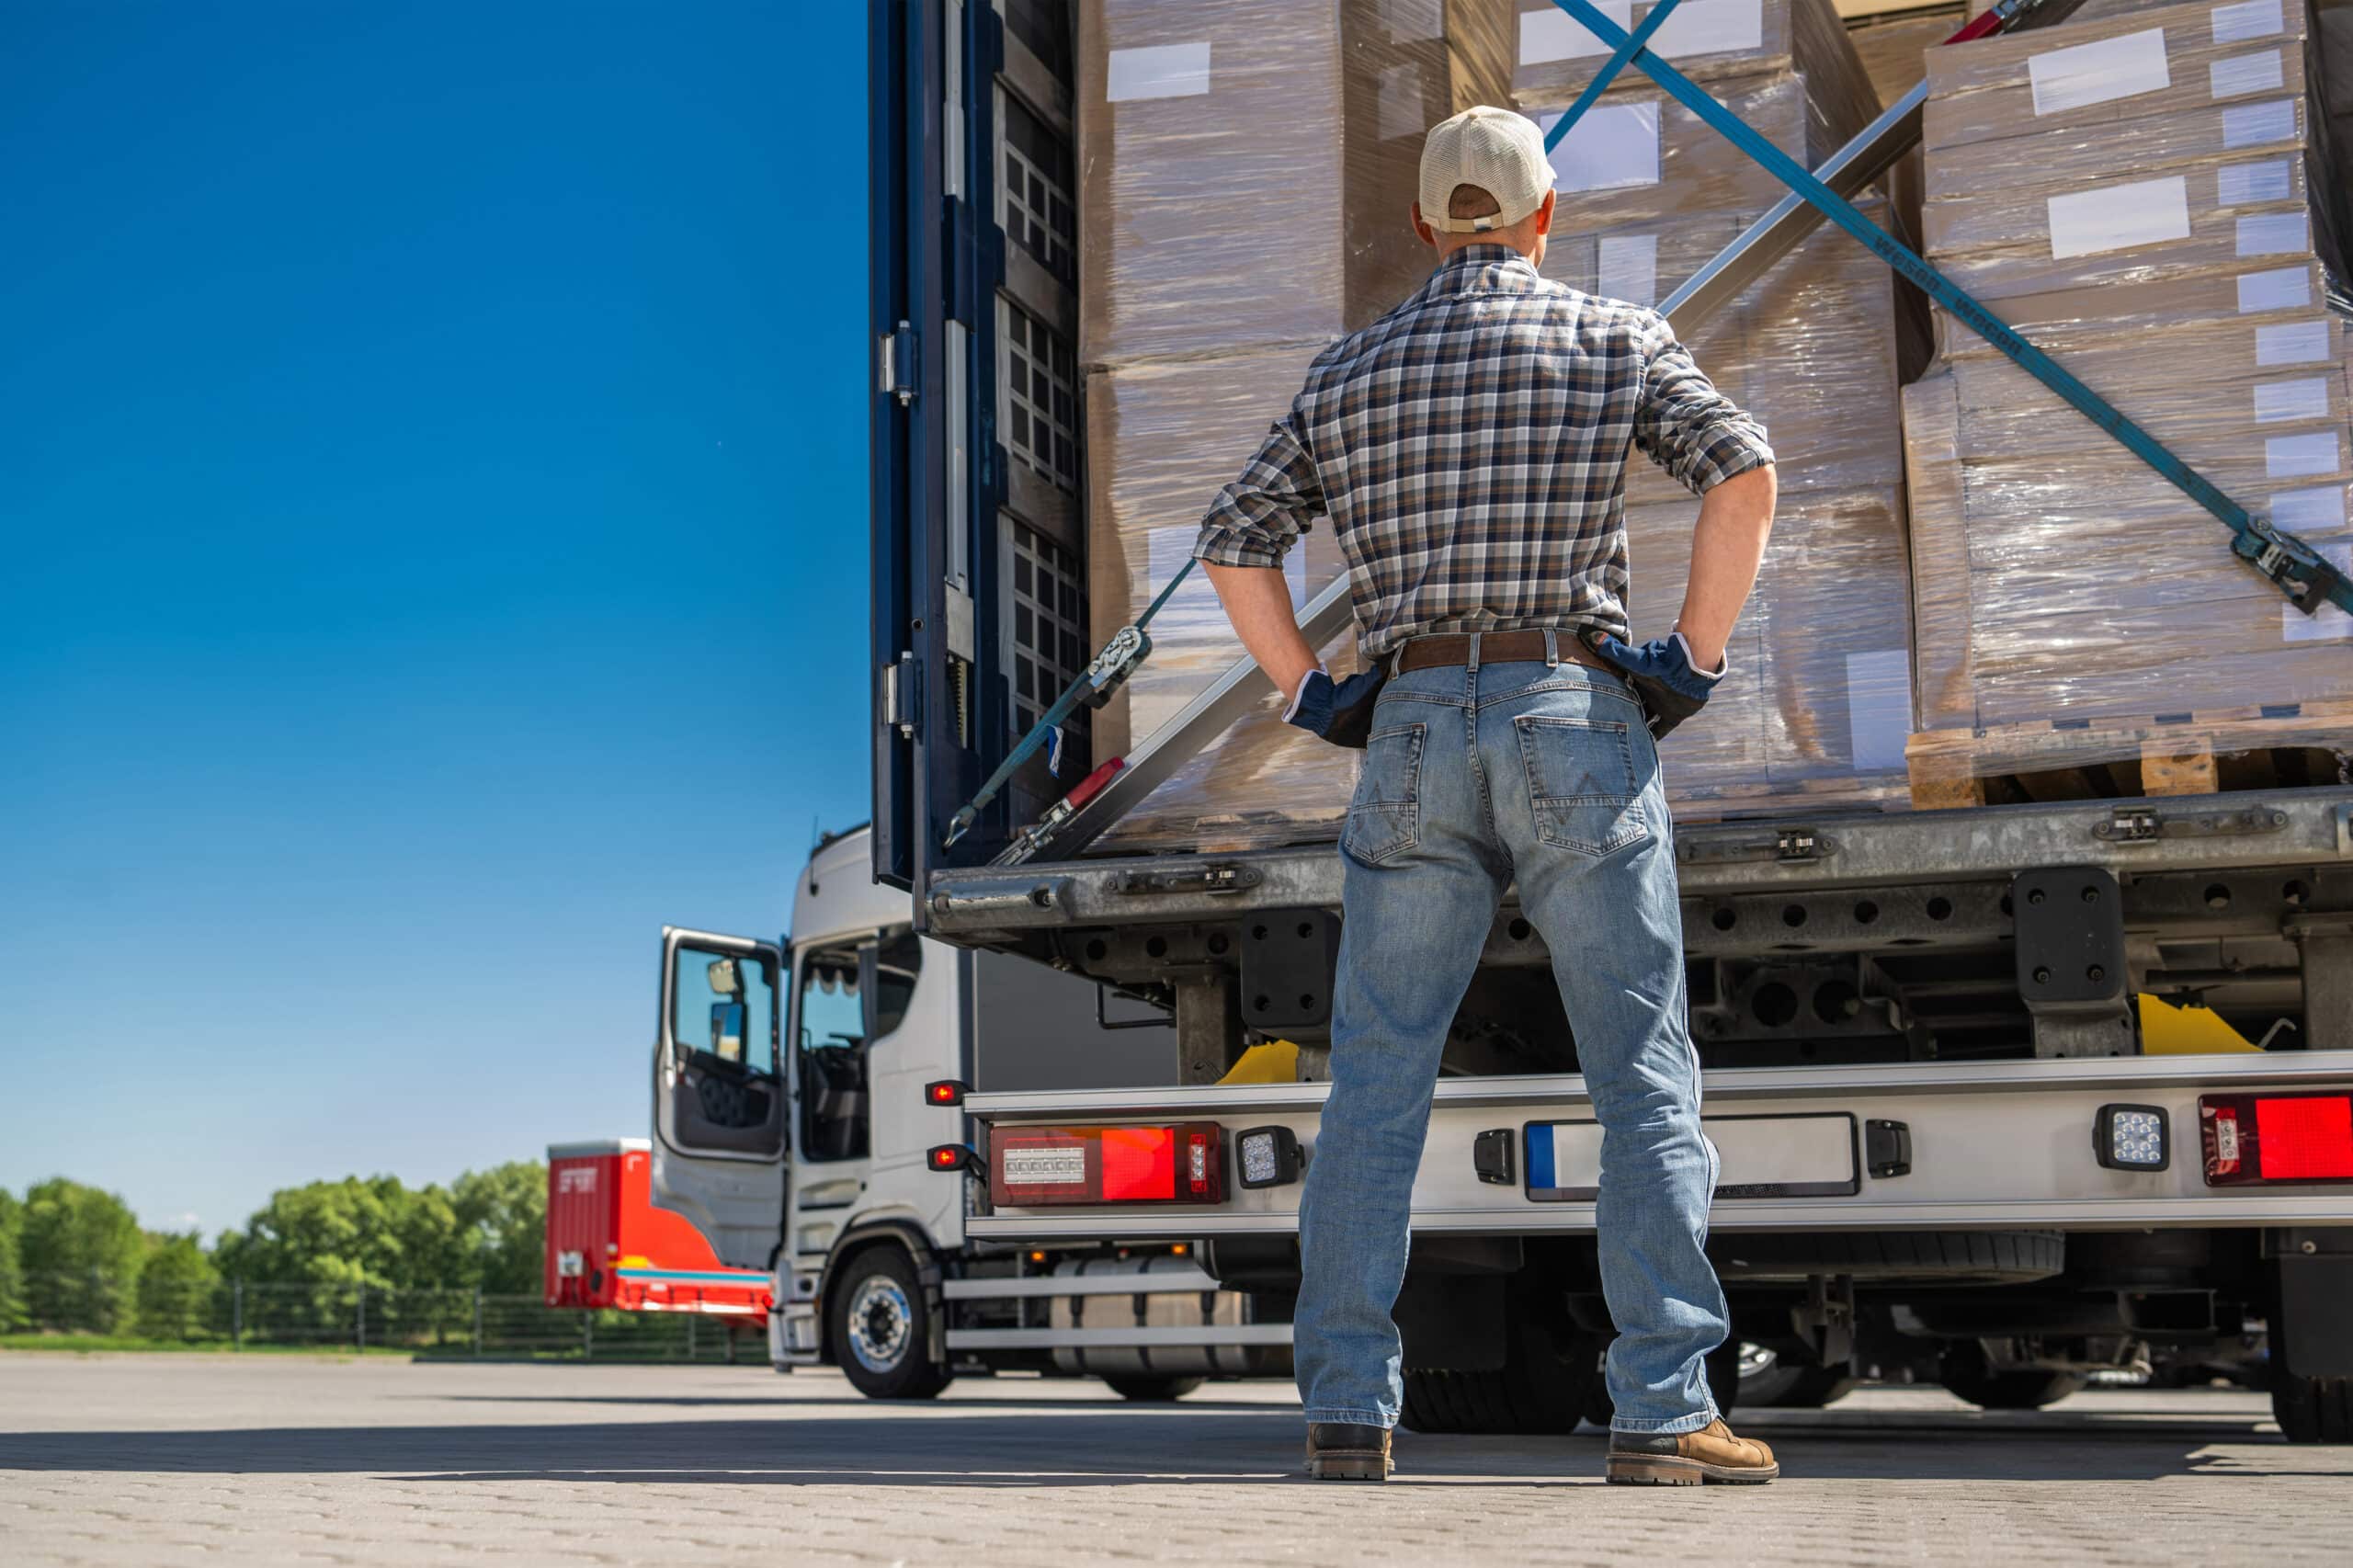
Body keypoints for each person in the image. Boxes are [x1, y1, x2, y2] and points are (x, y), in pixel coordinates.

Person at [1190, 105, 1781, 1486]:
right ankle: (1660, 1407)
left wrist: (1308, 687)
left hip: (1405, 727)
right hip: (1570, 709)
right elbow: (1745, 475)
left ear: (1420, 225)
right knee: (1638, 1070)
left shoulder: (1349, 373)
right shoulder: (1612, 338)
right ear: (1542, 216)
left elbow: (1233, 542)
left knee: (1378, 1080)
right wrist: (1689, 661)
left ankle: (1347, 1406)